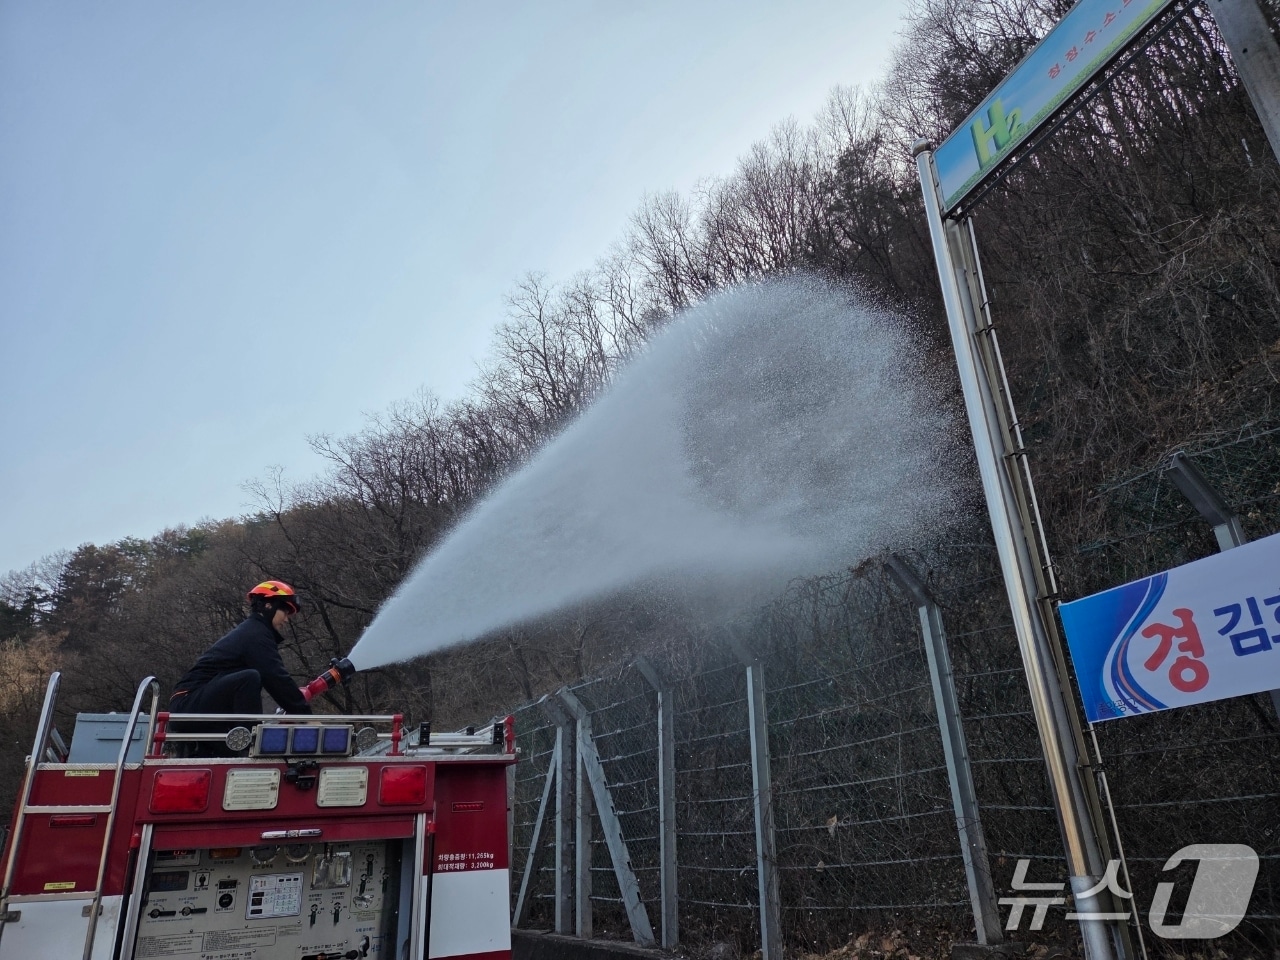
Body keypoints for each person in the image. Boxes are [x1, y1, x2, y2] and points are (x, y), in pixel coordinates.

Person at [170, 580, 313, 718]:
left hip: (192, 702)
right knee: (249, 678)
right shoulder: (255, 634)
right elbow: (277, 679)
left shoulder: (253, 631)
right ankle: (249, 740)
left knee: (247, 680)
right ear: (269, 605)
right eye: (285, 612)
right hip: (187, 702)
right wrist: (307, 718)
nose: (286, 620)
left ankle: (243, 737)